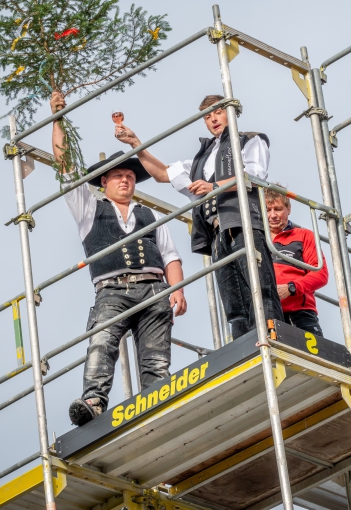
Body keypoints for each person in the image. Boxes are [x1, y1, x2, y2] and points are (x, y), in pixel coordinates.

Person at [50, 92, 187, 427]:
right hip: (112, 289)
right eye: (117, 176)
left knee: (156, 354)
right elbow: (65, 166)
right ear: (104, 182)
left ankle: (157, 398)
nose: (125, 180)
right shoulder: (88, 209)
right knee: (102, 342)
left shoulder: (149, 213)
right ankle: (94, 402)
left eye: (129, 176)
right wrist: (58, 119)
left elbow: (170, 255)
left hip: (154, 289)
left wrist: (178, 288)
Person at [115, 95, 284, 339]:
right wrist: (136, 144)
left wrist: (213, 186)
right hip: (216, 231)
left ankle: (272, 337)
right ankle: (244, 346)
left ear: (230, 112)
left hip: (243, 222)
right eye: (206, 116)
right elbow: (163, 174)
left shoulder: (250, 139)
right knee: (231, 298)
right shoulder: (201, 158)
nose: (212, 119)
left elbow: (254, 175)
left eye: (217, 112)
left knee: (259, 286)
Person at [265, 187, 328, 336]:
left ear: (288, 208)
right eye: (268, 210)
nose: (273, 215)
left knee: (312, 358)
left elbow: (321, 274)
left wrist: (291, 288)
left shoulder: (304, 235)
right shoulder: (255, 239)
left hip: (300, 314)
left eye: (278, 209)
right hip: (265, 312)